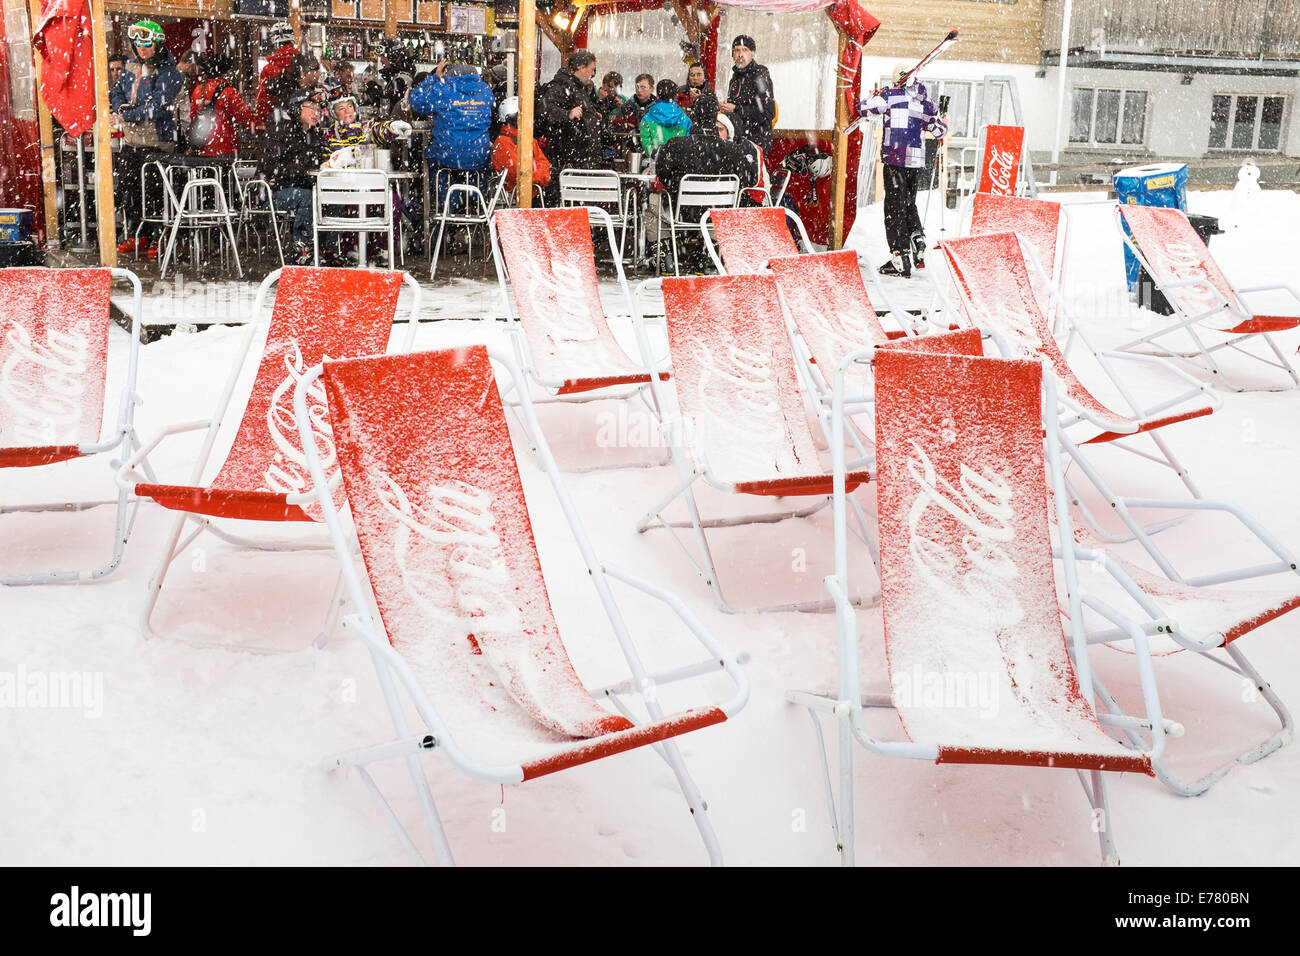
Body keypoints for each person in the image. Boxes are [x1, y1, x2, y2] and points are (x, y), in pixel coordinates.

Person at [858, 61, 947, 277]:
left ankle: (900, 258)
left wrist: (876, 95)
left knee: (893, 208)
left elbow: (862, 109)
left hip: (895, 158)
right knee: (908, 203)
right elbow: (939, 131)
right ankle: (918, 240)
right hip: (915, 163)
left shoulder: (891, 96)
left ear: (897, 79)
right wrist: (943, 121)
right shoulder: (924, 101)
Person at [108, 19, 183, 258]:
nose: (142, 48)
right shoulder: (130, 67)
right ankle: (139, 233)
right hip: (131, 142)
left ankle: (161, 236)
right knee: (128, 190)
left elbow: (159, 107)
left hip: (157, 143)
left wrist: (128, 115)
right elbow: (116, 92)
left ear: (158, 44)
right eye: (138, 43)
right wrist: (120, 107)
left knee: (156, 192)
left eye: (147, 44)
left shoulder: (170, 72)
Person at [258, 91, 335, 265]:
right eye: (311, 108)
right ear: (296, 108)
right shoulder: (280, 130)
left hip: (301, 187)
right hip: (272, 192)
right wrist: (305, 171)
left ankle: (327, 249)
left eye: (319, 109)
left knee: (330, 197)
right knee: (307, 197)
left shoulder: (314, 135)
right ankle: (303, 248)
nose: (316, 113)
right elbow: (271, 167)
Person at [409, 60, 495, 215]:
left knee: (432, 160)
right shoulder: (485, 90)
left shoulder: (443, 88)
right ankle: (475, 207)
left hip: (447, 154)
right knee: (477, 169)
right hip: (478, 156)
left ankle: (448, 207)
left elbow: (416, 101)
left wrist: (434, 78)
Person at [537, 50, 601, 202]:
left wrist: (592, 116)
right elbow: (545, 111)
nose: (593, 74)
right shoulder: (561, 86)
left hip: (582, 156)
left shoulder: (579, 87)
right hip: (569, 156)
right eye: (592, 69)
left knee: (581, 199)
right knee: (571, 199)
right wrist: (567, 114)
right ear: (580, 67)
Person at [189, 53, 260, 157]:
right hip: (225, 148)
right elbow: (245, 118)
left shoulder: (198, 90)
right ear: (226, 72)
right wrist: (262, 125)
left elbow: (193, 117)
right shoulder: (229, 92)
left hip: (202, 146)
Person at [721, 34, 775, 159]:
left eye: (745, 50)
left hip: (756, 143)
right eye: (737, 50)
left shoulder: (760, 75)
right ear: (732, 55)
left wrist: (736, 109)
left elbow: (768, 112)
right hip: (737, 142)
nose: (740, 54)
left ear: (752, 54)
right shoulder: (735, 79)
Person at [491, 96, 551, 198]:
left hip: (537, 188)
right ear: (512, 119)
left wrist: (545, 173)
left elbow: (544, 164)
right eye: (522, 116)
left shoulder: (529, 140)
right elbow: (519, 172)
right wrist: (545, 175)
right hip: (522, 193)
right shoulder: (503, 142)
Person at [255, 21, 298, 123]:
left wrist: (265, 119)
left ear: (274, 42)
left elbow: (263, 102)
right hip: (302, 120)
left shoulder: (269, 69)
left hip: (278, 121)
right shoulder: (302, 62)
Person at [639, 79, 691, 156]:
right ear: (675, 96)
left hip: (656, 160)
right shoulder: (686, 120)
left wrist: (657, 155)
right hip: (679, 160)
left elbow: (646, 145)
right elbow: (687, 145)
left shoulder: (646, 119)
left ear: (657, 95)